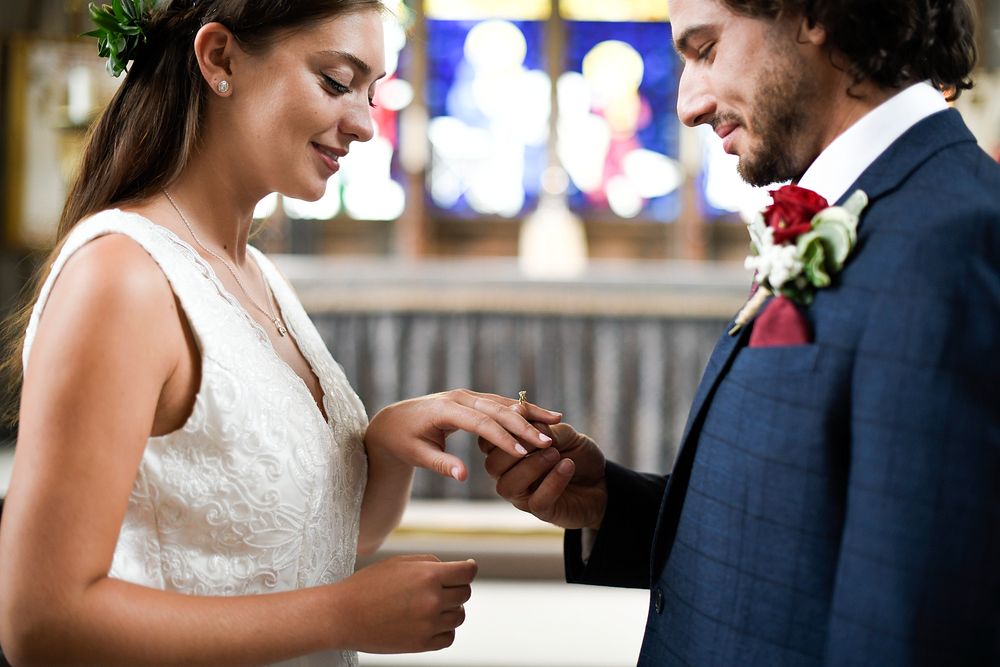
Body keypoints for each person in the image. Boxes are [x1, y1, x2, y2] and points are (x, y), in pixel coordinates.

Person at [0, 1, 561, 665]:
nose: (363, 123)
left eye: (373, 92)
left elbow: (289, 550)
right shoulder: (123, 277)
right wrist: (339, 614)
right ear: (220, 59)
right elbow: (42, 622)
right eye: (336, 81)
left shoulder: (255, 273)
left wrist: (383, 451)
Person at [483, 0, 1000, 664]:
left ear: (814, 13)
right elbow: (807, 533)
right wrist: (612, 502)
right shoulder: (861, 207)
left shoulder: (957, 242)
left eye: (704, 50)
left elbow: (914, 621)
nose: (687, 105)